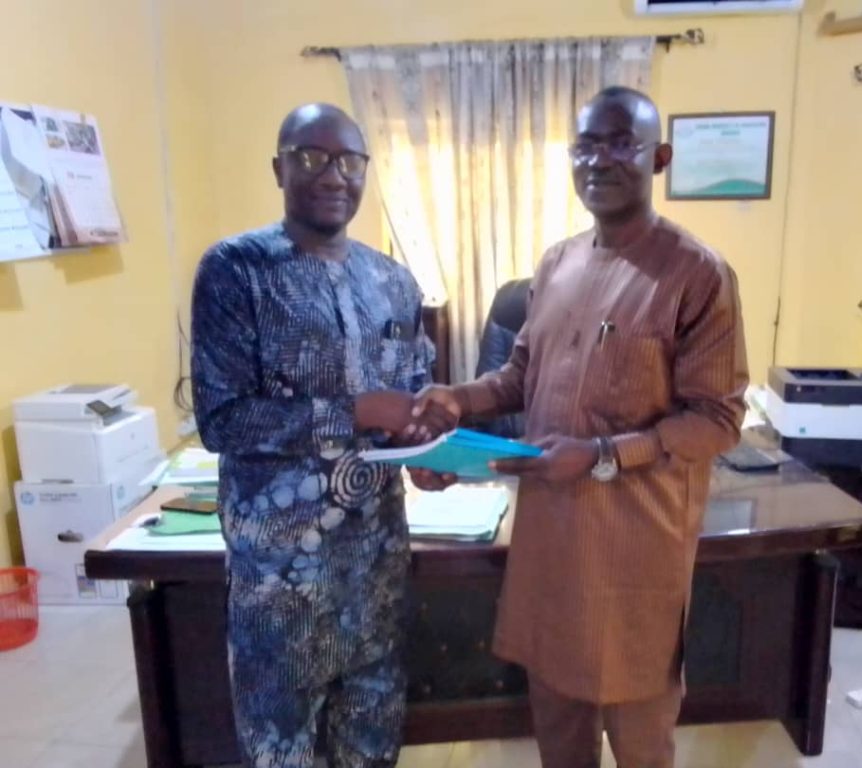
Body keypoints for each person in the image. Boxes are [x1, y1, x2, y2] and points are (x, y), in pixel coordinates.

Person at [412, 86, 749, 767]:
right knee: (559, 727)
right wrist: (458, 399)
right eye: (586, 145)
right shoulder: (557, 263)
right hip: (550, 542)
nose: (600, 159)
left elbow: (717, 418)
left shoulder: (696, 275)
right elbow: (519, 377)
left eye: (620, 142)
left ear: (659, 157)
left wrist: (600, 455)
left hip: (635, 552)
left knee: (639, 738)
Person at [190, 103, 452, 768]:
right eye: (310, 157)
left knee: (371, 744)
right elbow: (221, 419)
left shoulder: (393, 280)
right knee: (282, 750)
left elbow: (415, 395)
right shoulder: (234, 271)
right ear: (278, 168)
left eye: (349, 161)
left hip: (376, 569)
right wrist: (355, 410)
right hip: (281, 580)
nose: (333, 174)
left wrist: (429, 453)